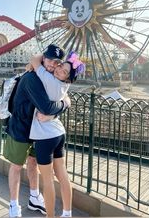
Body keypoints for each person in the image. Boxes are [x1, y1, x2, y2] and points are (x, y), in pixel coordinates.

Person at [3, 44, 70, 218]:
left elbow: (65, 95)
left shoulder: (48, 75)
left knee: (33, 163)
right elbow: (46, 106)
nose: (52, 64)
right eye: (49, 60)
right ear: (43, 59)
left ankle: (34, 197)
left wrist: (62, 105)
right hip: (21, 127)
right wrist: (58, 108)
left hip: (38, 130)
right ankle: (13, 205)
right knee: (17, 166)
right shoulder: (33, 77)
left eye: (57, 62)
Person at [29, 51, 85, 217]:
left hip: (44, 137)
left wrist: (37, 61)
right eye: (61, 66)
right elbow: (66, 100)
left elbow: (34, 59)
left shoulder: (50, 80)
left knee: (47, 180)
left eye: (65, 71)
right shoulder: (63, 86)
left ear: (68, 78)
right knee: (62, 174)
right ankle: (67, 213)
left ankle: (50, 216)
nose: (60, 70)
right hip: (58, 134)